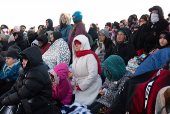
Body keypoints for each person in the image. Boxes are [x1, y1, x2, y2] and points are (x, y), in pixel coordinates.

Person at [0, 47, 53, 113]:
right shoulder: (27, 69)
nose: (23, 62)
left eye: (25, 60)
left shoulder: (37, 73)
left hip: (39, 103)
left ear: (32, 59)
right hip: (29, 100)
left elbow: (23, 94)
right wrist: (3, 98)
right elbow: (15, 88)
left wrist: (5, 100)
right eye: (22, 59)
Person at [71, 35, 102, 105]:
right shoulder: (76, 56)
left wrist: (81, 86)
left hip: (91, 85)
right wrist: (72, 84)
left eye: (78, 44)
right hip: (80, 85)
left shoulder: (90, 56)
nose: (76, 45)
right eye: (75, 44)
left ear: (83, 44)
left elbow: (93, 75)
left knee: (82, 106)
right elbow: (75, 74)